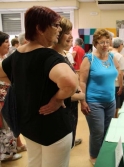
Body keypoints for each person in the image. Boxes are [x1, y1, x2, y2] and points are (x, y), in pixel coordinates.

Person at [0, 6, 78, 167]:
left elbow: (2, 74)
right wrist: (57, 99)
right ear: (40, 28)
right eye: (55, 25)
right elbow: (70, 84)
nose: (59, 30)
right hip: (53, 128)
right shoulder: (48, 56)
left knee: (34, 162)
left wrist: (23, 84)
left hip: (29, 125)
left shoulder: (17, 54)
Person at [79, 28, 119, 165]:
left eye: (107, 42)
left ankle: (103, 153)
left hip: (110, 101)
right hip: (94, 101)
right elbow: (82, 81)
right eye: (102, 42)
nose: (105, 45)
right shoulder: (89, 58)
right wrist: (82, 102)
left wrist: (120, 83)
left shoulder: (112, 57)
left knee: (108, 130)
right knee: (98, 131)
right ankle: (94, 156)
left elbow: (117, 71)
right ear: (95, 43)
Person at [51, 17, 83, 147]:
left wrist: (82, 99)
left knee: (68, 144)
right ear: (57, 33)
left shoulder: (65, 55)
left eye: (71, 33)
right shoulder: (51, 57)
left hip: (71, 109)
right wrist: (79, 96)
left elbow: (75, 79)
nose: (71, 37)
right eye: (66, 33)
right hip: (60, 111)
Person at [0, 31, 22, 162]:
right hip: (2, 99)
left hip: (8, 96)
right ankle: (6, 154)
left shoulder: (4, 59)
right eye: (6, 42)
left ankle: (9, 152)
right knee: (4, 127)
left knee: (8, 125)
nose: (8, 45)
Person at [111, 37, 124, 118]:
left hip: (108, 84)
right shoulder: (119, 56)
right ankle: (113, 124)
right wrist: (121, 86)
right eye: (123, 46)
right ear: (120, 45)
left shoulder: (108, 54)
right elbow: (120, 73)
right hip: (116, 84)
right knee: (115, 107)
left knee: (110, 106)